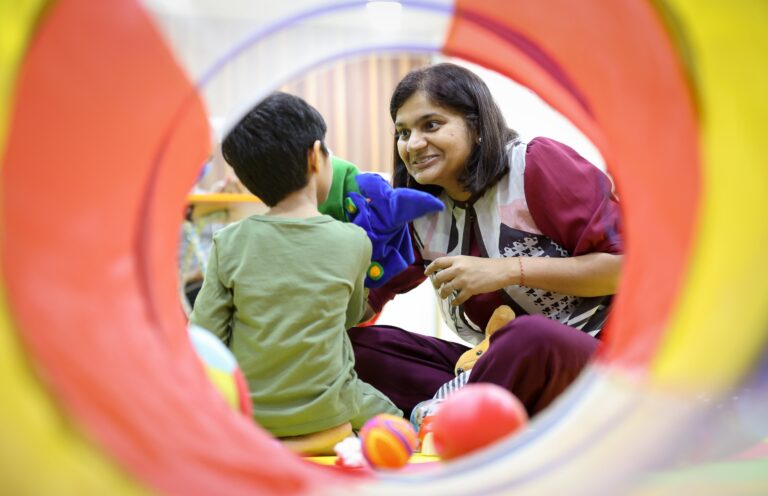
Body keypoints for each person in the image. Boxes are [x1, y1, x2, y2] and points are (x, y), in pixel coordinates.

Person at [348, 63, 623, 419]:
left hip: (597, 362)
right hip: (495, 369)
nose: (413, 144)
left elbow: (625, 268)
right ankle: (463, 409)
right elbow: (365, 305)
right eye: (402, 132)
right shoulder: (417, 211)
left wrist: (507, 270)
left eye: (431, 125)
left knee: (529, 337)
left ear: (476, 126)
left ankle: (451, 415)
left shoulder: (535, 164)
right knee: (355, 349)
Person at [189, 92, 400, 455]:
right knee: (397, 422)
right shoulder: (354, 241)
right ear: (315, 156)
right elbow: (350, 318)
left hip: (251, 416)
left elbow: (204, 337)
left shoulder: (229, 242)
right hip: (331, 411)